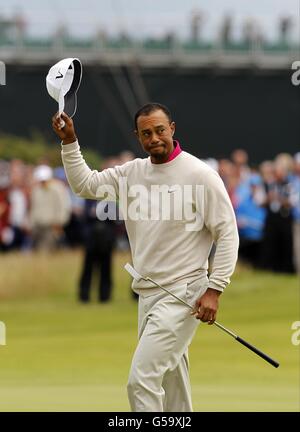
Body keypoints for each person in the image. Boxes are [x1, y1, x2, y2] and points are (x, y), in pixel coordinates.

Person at [52, 102, 239, 412]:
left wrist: (215, 289)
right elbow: (84, 185)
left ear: (173, 129)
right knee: (172, 387)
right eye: (146, 133)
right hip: (148, 295)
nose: (154, 138)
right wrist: (69, 141)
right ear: (137, 137)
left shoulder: (201, 175)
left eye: (160, 130)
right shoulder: (132, 173)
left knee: (142, 380)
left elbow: (227, 234)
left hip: (184, 294)